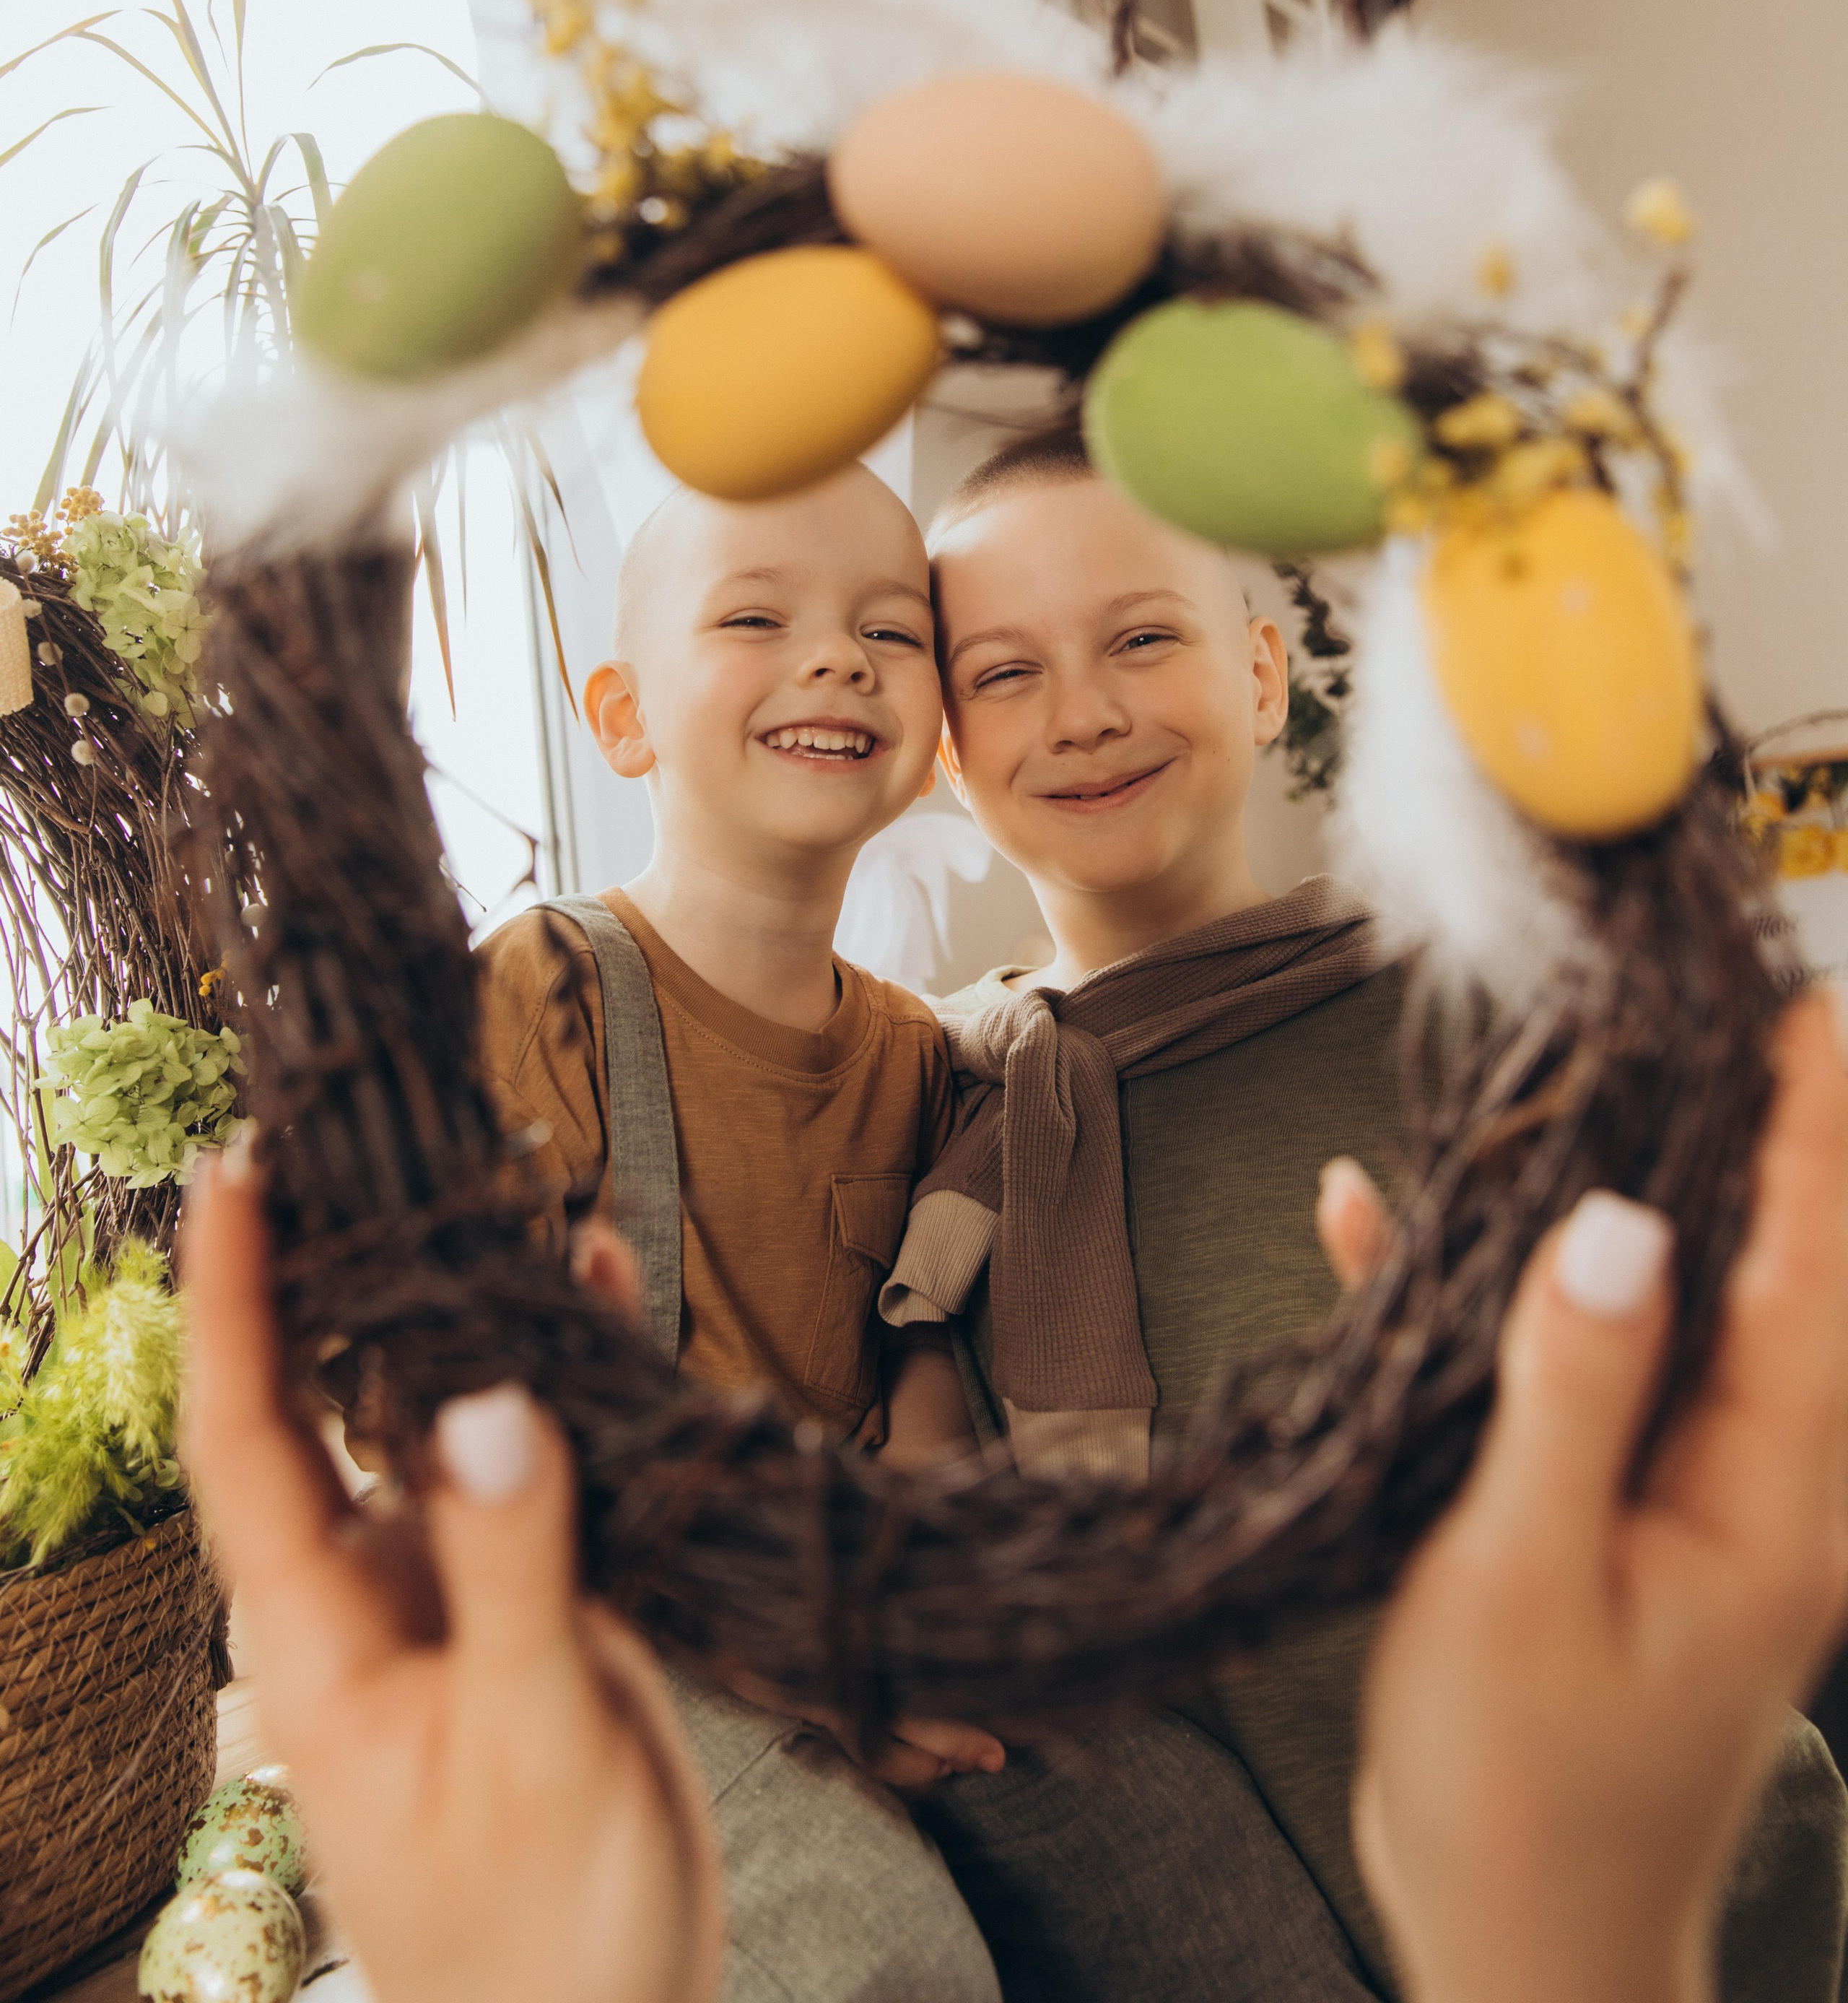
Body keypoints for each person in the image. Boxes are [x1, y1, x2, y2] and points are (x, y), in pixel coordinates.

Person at [178, 987, 1848, 2003]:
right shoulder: (607, 1017)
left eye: (886, 631)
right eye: (1004, 663)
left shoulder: (960, 1061)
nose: (1078, 708)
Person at [880, 435, 1848, 2002]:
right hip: (1241, 1920)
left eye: (1141, 637)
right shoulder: (942, 1087)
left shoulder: (1472, 1002)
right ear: (941, 753)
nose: (1084, 711)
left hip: (1645, 1875)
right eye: (1003, 674)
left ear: (1262, 678)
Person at [464, 463, 1004, 2003]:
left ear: (935, 736)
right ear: (622, 715)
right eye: (756, 615)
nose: (833, 657)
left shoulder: (919, 1057)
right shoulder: (537, 991)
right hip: (601, 1638)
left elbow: (922, 1374)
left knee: (1165, 1846)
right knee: (875, 1963)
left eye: (889, 632)